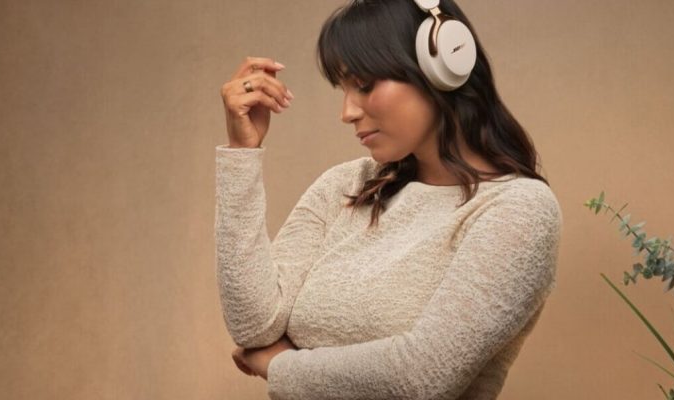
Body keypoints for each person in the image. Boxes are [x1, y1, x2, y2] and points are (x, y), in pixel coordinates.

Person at [214, 0, 562, 398]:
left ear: (443, 65)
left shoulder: (519, 210)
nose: (347, 112)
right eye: (343, 89)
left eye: (364, 85)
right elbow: (254, 325)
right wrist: (242, 154)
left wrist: (279, 366)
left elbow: (420, 377)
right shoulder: (345, 185)